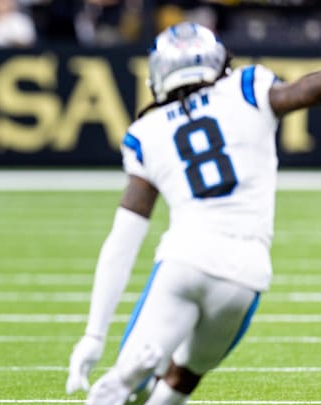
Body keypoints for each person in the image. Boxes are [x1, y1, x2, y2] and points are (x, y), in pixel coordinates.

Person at [65, 22, 321, 405]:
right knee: (183, 379)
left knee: (129, 380)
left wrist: (94, 334)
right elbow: (305, 90)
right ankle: (143, 381)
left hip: (185, 260)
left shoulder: (147, 131)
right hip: (246, 272)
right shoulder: (247, 88)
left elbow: (123, 240)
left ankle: (126, 380)